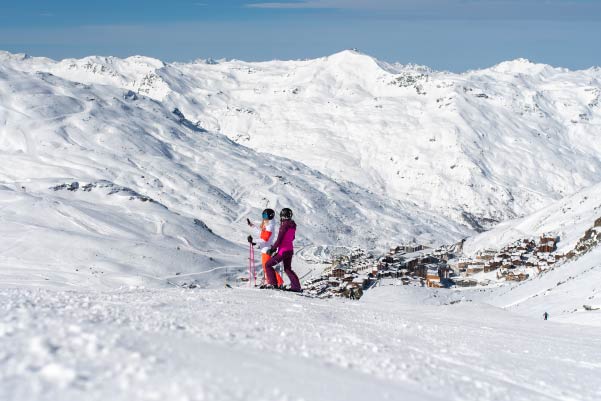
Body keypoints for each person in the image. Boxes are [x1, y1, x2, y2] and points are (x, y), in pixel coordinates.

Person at [263, 208, 301, 292]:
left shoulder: (284, 225)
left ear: (282, 216)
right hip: (290, 250)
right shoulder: (293, 225)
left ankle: (273, 284)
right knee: (287, 269)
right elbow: (292, 237)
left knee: (268, 265)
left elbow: (279, 239)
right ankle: (296, 287)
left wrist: (272, 249)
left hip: (283, 251)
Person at [247, 209, 284, 287]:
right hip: (264, 249)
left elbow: (265, 239)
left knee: (267, 267)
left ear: (270, 216)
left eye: (265, 216)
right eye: (263, 215)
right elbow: (261, 233)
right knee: (266, 267)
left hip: (267, 249)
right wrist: (252, 226)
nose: (264, 217)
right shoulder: (267, 225)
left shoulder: (269, 226)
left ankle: (277, 283)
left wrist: (254, 240)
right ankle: (272, 282)